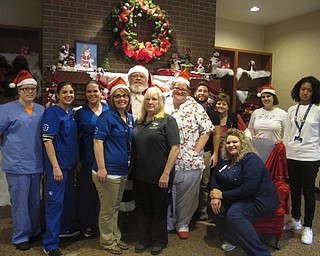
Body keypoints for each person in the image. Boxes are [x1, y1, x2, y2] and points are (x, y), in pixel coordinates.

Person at [209, 128, 279, 256]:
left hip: (259, 199)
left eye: (235, 142)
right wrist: (215, 194)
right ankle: (233, 239)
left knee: (234, 215)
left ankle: (261, 253)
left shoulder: (251, 159)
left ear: (243, 143)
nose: (231, 145)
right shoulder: (226, 157)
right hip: (238, 196)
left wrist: (222, 195)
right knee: (213, 208)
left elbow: (249, 189)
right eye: (228, 143)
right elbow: (215, 176)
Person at [165, 68, 214, 239]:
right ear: (172, 88)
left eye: (183, 89)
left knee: (187, 194)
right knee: (168, 192)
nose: (179, 91)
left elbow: (206, 131)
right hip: (167, 160)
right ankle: (169, 220)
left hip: (190, 160)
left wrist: (195, 152)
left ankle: (183, 222)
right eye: (176, 88)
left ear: (188, 91)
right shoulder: (164, 104)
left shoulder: (195, 107)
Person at [132, 87, 180, 255]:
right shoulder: (138, 122)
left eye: (154, 99)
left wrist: (166, 173)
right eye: (148, 99)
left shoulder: (168, 120)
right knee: (144, 208)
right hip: (141, 175)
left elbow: (175, 148)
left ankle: (160, 240)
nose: (151, 102)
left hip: (161, 175)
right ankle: (144, 239)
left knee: (159, 209)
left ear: (160, 102)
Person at [0, 70, 44, 251]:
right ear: (19, 90)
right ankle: (20, 236)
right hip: (17, 164)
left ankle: (34, 230)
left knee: (34, 200)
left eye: (33, 89)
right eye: (26, 89)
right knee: (20, 202)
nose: (30, 92)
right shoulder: (6, 110)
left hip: (36, 163)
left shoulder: (42, 110)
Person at [92, 77, 134, 255]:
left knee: (116, 207)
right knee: (108, 208)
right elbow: (97, 142)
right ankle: (107, 241)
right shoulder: (106, 116)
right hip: (107, 172)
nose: (121, 99)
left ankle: (116, 236)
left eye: (125, 96)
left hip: (123, 171)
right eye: (118, 96)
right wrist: (102, 168)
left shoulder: (129, 117)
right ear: (112, 98)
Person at [42, 81, 79, 256]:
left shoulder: (69, 113)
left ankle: (62, 231)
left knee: (66, 201)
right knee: (55, 204)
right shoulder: (51, 113)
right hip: (57, 167)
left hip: (69, 165)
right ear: (57, 94)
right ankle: (50, 244)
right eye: (64, 92)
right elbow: (48, 141)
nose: (68, 95)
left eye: (71, 92)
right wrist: (55, 167)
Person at [283, 76, 320, 245]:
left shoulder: (318, 110)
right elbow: (287, 134)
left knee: (309, 192)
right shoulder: (292, 110)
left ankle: (308, 227)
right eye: (302, 89)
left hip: (310, 156)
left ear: (314, 92)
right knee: (295, 189)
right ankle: (295, 219)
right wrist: (284, 151)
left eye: (309, 90)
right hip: (292, 155)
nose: (305, 92)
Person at [74, 80, 109, 237]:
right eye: (89, 91)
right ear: (85, 94)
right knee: (87, 193)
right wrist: (77, 159)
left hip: (107, 159)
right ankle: (86, 224)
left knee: (104, 195)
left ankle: (101, 224)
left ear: (101, 92)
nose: (92, 94)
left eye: (95, 91)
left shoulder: (109, 109)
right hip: (87, 158)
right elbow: (75, 138)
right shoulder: (80, 113)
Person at [193, 81, 220, 221]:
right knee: (191, 182)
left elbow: (216, 134)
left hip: (206, 152)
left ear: (208, 95)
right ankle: (189, 209)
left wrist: (215, 153)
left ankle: (202, 209)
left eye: (204, 91)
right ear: (195, 93)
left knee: (204, 182)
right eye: (199, 91)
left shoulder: (213, 112)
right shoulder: (188, 109)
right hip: (189, 152)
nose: (202, 93)